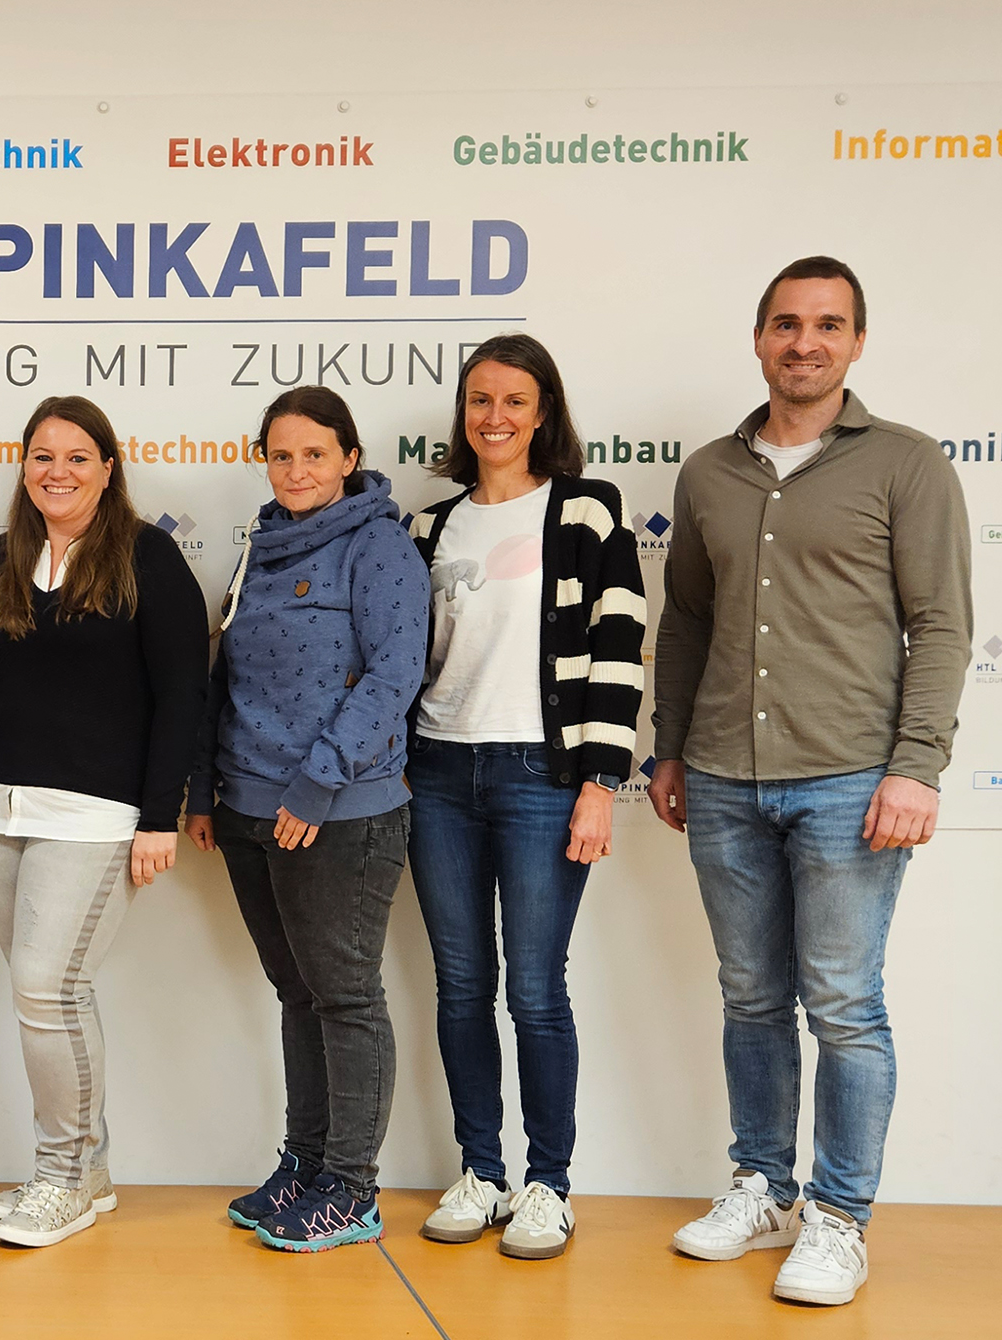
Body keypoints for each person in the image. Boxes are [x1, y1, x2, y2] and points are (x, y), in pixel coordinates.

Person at [649, 257, 971, 1306]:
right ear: (758, 339)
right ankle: (762, 1185)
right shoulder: (707, 472)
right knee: (750, 996)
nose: (804, 342)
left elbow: (940, 626)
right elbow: (686, 619)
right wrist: (668, 745)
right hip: (722, 775)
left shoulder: (908, 464)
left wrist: (916, 766)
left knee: (842, 1003)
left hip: (851, 779)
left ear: (855, 343)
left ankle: (838, 1217)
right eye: (786, 323)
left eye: (827, 325)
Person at [402, 333, 646, 1260]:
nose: (494, 417)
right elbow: (404, 659)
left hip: (544, 777)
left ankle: (549, 1183)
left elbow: (619, 645)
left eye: (514, 400)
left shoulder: (586, 511)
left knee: (536, 990)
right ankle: (482, 1171)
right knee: (462, 985)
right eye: (479, 400)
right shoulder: (428, 526)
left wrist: (600, 783)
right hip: (438, 775)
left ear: (543, 412)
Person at [0, 396, 209, 1248]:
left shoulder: (147, 555)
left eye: (76, 457)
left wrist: (160, 816)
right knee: (53, 996)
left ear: (108, 468)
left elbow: (182, 693)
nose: (57, 471)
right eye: (42, 456)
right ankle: (88, 1169)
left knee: (46, 990)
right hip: (0, 811)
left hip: (96, 815)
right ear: (24, 467)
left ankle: (62, 1177)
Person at [185, 385, 428, 1253]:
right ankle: (306, 1164)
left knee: (347, 998)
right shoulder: (262, 544)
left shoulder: (379, 546)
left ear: (349, 459)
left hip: (338, 813)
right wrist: (206, 791)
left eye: (314, 454)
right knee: (299, 994)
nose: (296, 470)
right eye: (281, 455)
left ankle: (351, 1191)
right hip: (249, 809)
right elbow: (227, 673)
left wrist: (317, 785)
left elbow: (394, 675)